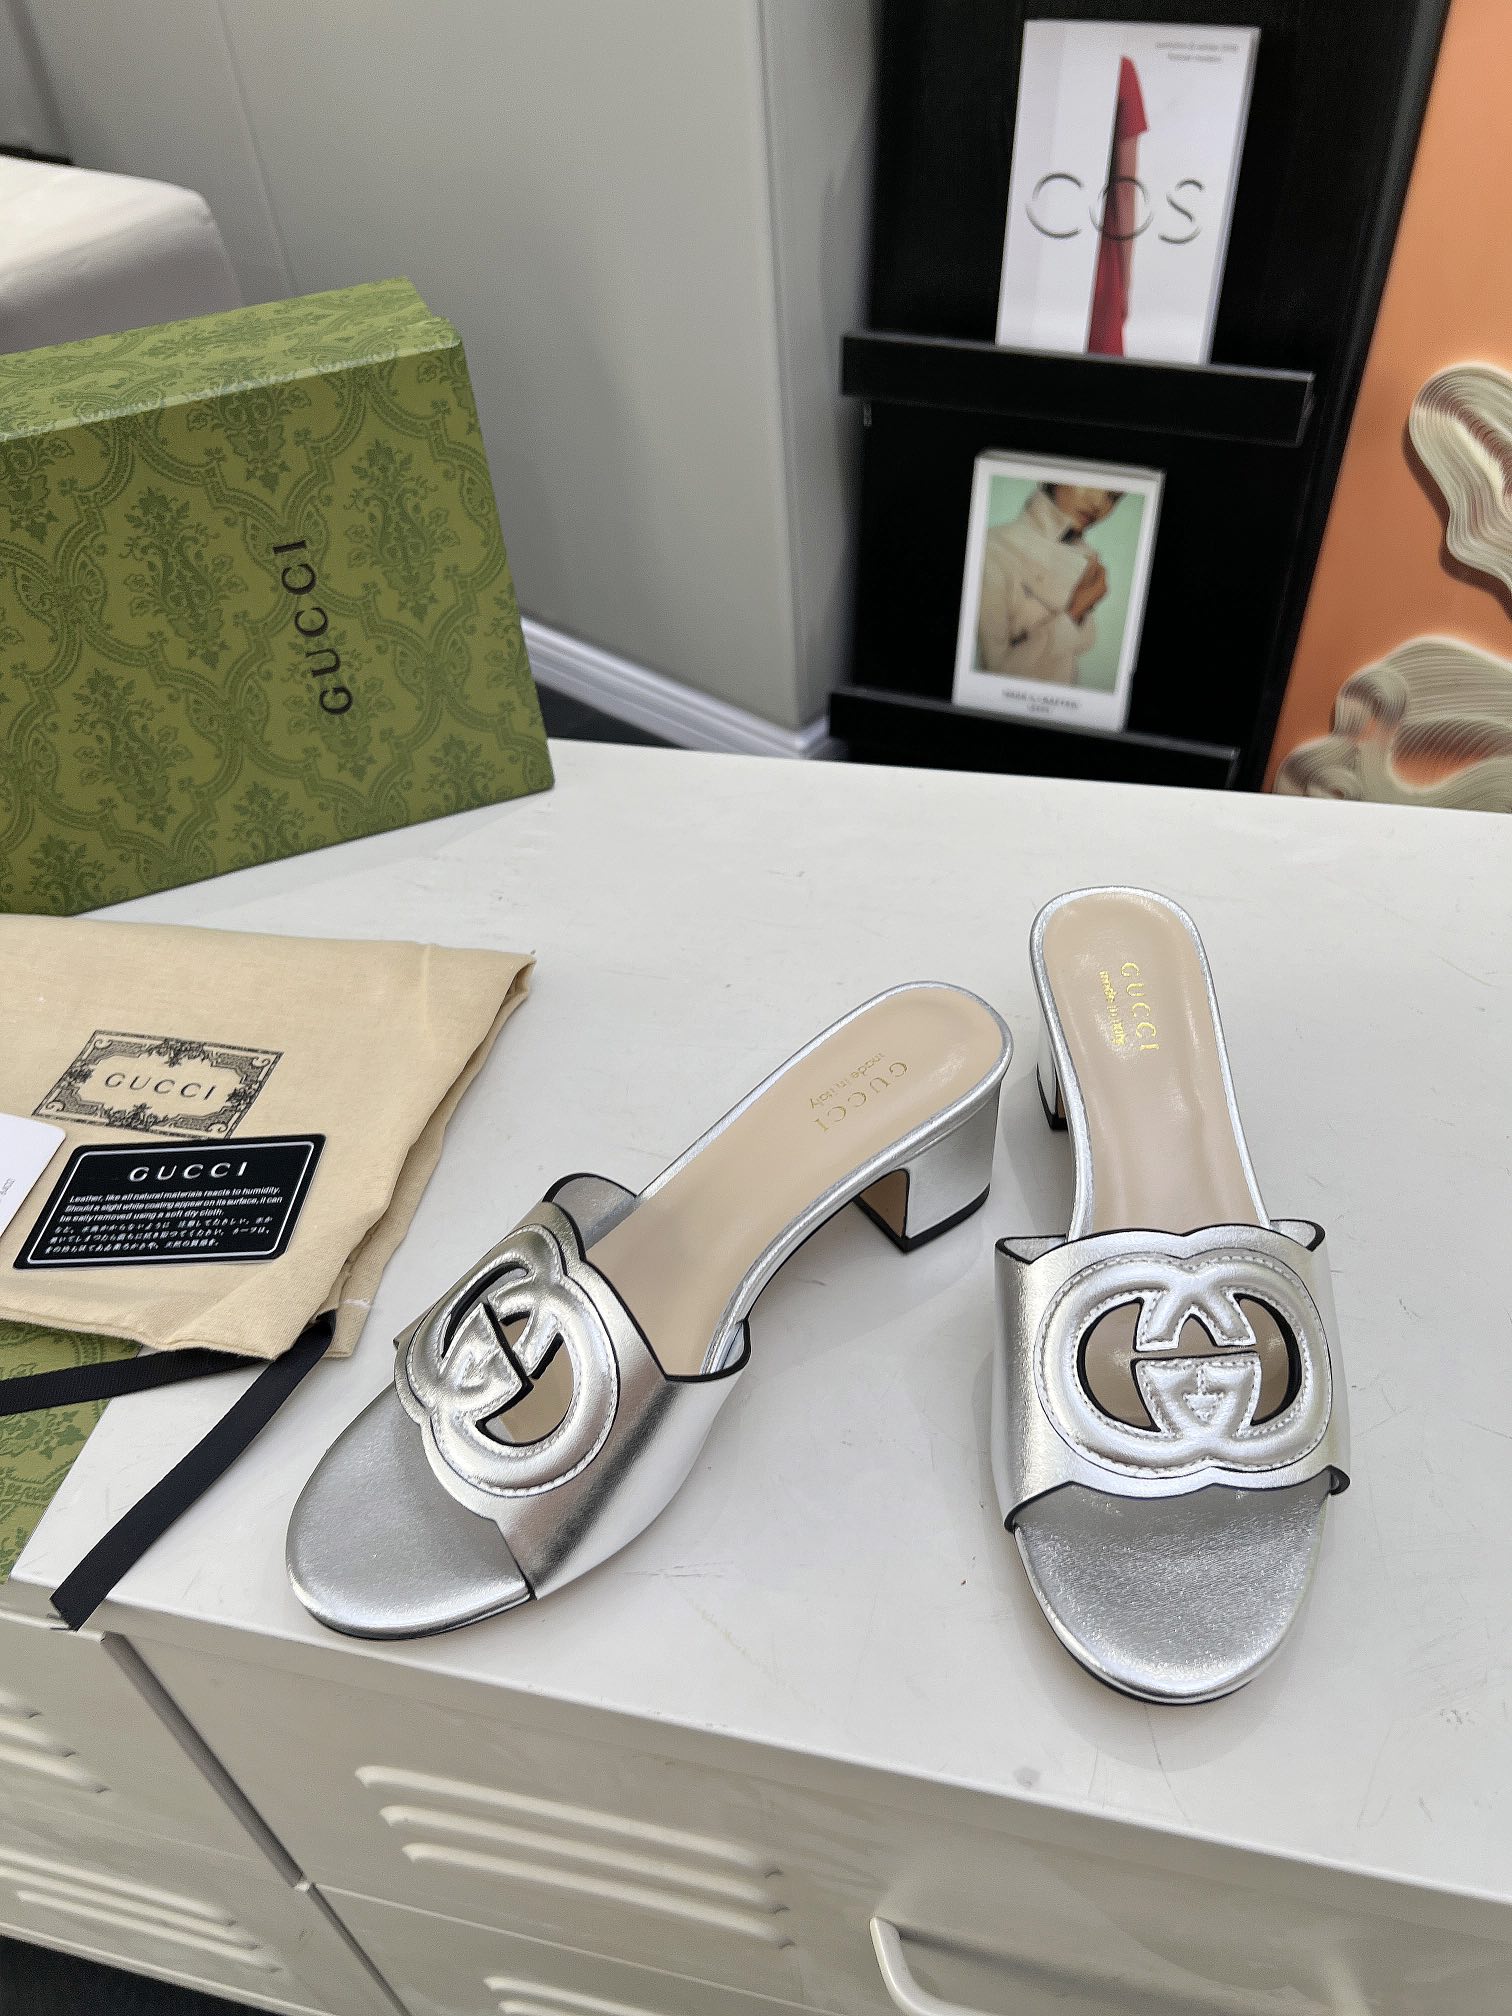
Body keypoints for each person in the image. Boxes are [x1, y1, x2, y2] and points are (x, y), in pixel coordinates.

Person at [975, 484, 1121, 685]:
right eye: (1090, 484)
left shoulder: (1087, 559)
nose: (1098, 503)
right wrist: (1075, 612)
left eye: (1113, 496)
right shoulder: (991, 549)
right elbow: (994, 678)